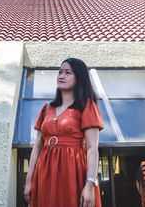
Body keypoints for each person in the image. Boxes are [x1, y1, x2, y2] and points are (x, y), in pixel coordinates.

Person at [24, 58, 104, 207]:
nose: (61, 76)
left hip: (73, 172)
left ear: (79, 78)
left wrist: (89, 184)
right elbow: (37, 147)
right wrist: (29, 181)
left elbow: (93, 148)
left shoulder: (86, 106)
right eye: (60, 72)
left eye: (68, 73)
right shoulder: (47, 109)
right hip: (45, 173)